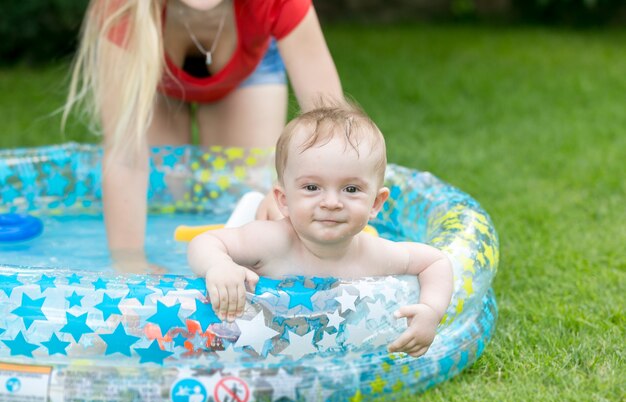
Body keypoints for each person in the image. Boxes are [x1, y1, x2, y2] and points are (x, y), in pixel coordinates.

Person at [63, 0, 343, 273]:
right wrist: (128, 261)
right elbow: (125, 154)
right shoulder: (121, 6)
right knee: (167, 197)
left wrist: (280, 186)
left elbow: (332, 128)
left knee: (242, 199)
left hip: (247, 68)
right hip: (151, 74)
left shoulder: (279, 3)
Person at [187, 104, 453, 357]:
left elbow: (436, 261)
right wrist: (220, 266)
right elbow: (205, 241)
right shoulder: (272, 242)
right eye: (312, 188)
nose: (331, 203)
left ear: (375, 203)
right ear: (283, 200)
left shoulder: (375, 254)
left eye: (351, 189)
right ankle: (254, 208)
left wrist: (431, 310)